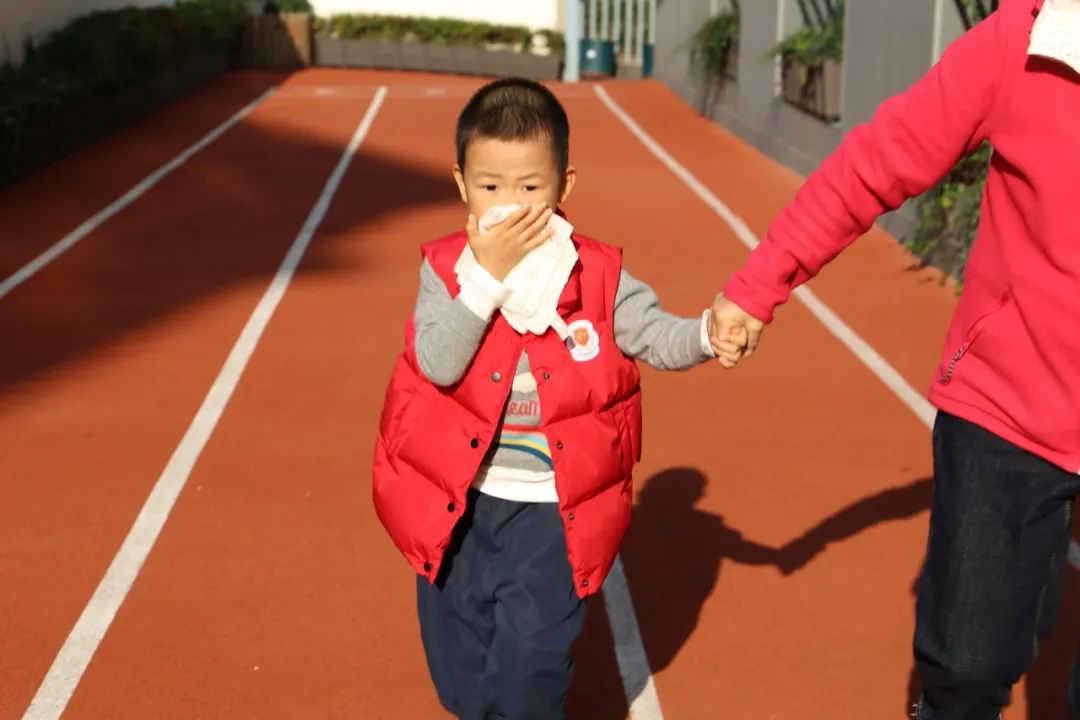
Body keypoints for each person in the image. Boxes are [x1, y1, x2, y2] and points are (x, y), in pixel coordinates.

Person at [708, 1, 1080, 717]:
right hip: (1005, 406)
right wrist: (761, 282)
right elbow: (874, 164)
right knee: (967, 670)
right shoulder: (1026, 40)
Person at [372, 77, 718, 719]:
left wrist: (705, 333)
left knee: (527, 678)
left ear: (564, 187)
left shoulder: (594, 272)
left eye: (530, 189)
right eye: (491, 187)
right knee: (463, 681)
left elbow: (655, 336)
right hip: (460, 509)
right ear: (461, 184)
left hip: (550, 514)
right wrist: (487, 278)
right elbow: (439, 362)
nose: (511, 206)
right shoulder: (446, 270)